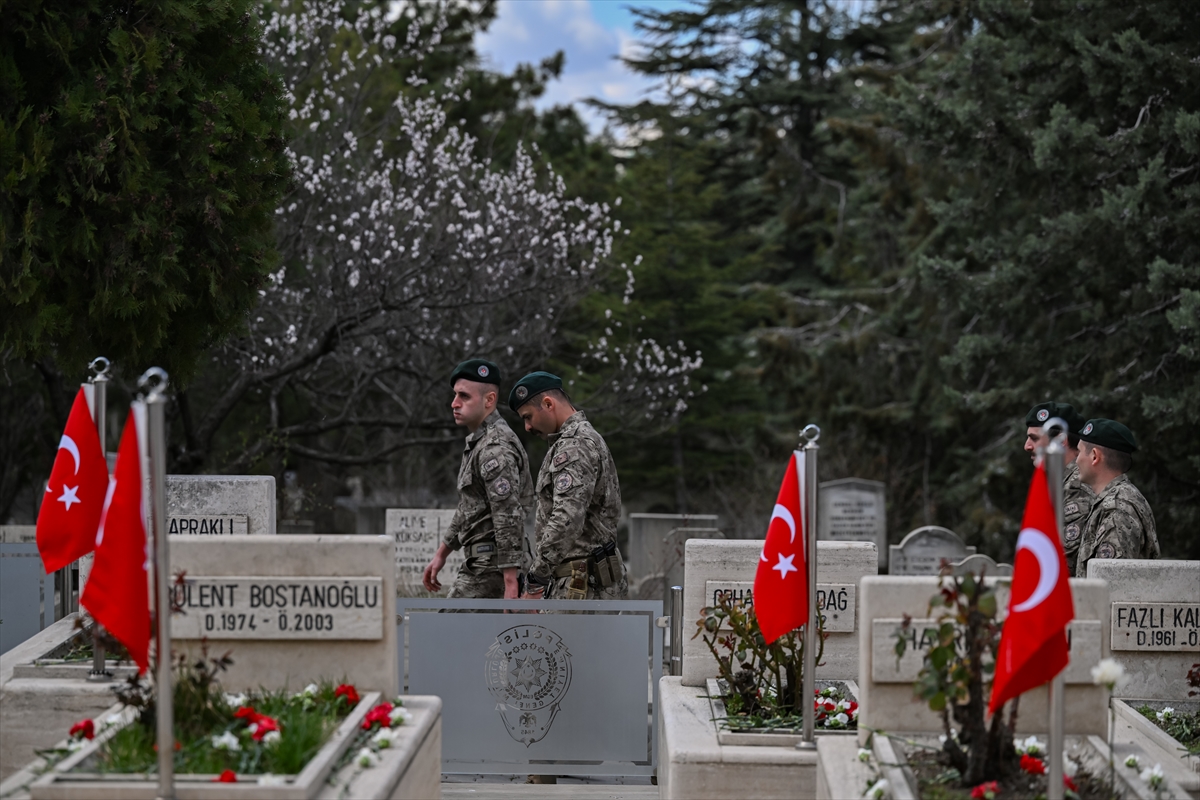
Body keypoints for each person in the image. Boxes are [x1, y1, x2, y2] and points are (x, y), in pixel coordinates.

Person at [508, 371, 628, 601]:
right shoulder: (579, 439)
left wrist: (536, 580)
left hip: (580, 588)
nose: (527, 427)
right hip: (584, 584)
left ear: (548, 403)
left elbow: (567, 518)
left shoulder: (574, 446)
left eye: (528, 416)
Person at [422, 359, 532, 599]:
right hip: (483, 565)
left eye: (464, 396)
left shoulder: (496, 448)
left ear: (489, 400)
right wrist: (443, 552)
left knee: (444, 635)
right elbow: (469, 507)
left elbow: (508, 515)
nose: (454, 403)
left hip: (491, 570)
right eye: (455, 395)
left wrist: (511, 582)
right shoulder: (480, 443)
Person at [1073, 418, 1158, 577]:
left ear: (1094, 456)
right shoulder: (1113, 500)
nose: (1076, 460)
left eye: (1079, 453)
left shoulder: (1117, 508)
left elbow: (1111, 586)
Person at [1023, 401, 1094, 575]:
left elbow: (1063, 564)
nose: (1027, 446)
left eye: (1035, 438)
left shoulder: (1078, 487)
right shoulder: (1060, 484)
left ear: (1061, 440)